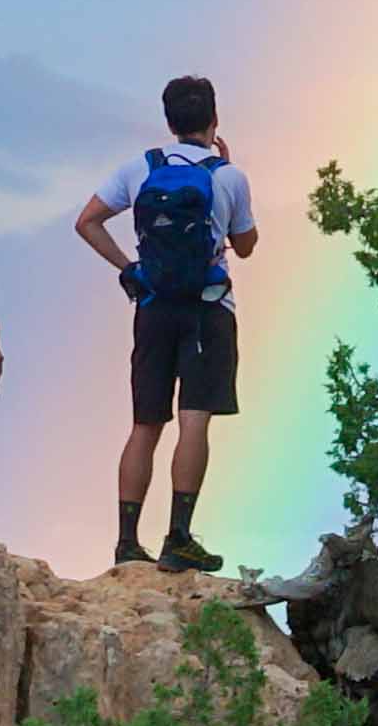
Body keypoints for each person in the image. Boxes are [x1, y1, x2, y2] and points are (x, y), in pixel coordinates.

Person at [71, 73, 258, 574]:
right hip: (208, 309)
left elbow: (86, 221)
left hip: (152, 308)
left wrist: (129, 268)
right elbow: (245, 245)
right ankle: (178, 537)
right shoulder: (228, 177)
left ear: (170, 121)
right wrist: (230, 172)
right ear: (214, 119)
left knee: (145, 424)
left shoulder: (140, 168)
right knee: (195, 420)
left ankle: (127, 542)